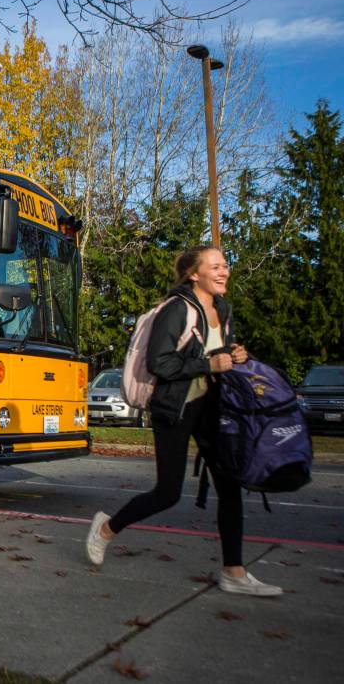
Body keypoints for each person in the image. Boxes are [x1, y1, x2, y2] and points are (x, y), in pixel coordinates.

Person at [85, 246, 283, 597]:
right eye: (216, 266)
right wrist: (209, 364)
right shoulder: (177, 309)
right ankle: (106, 529)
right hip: (175, 408)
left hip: (215, 408)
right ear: (195, 274)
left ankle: (234, 572)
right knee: (167, 492)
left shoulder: (222, 308)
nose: (224, 271)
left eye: (226, 265)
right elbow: (161, 364)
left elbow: (216, 352)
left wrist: (235, 354)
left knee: (230, 486)